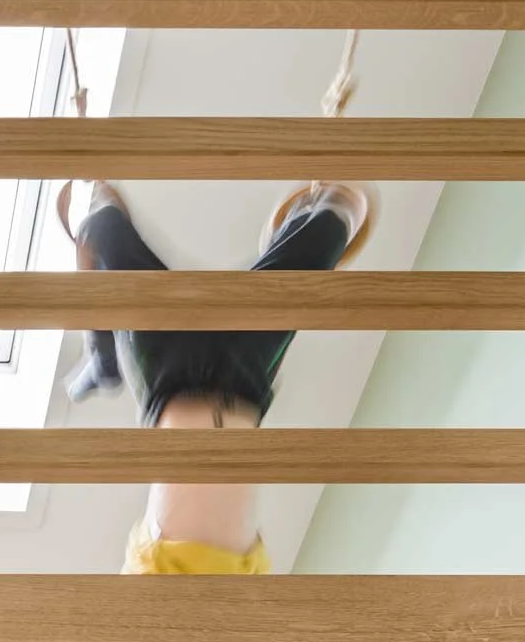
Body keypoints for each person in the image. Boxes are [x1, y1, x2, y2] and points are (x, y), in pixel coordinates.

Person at [64, 176, 377, 573]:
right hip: (245, 376)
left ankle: (101, 356)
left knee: (102, 225)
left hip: (168, 379)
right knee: (336, 217)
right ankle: (297, 225)